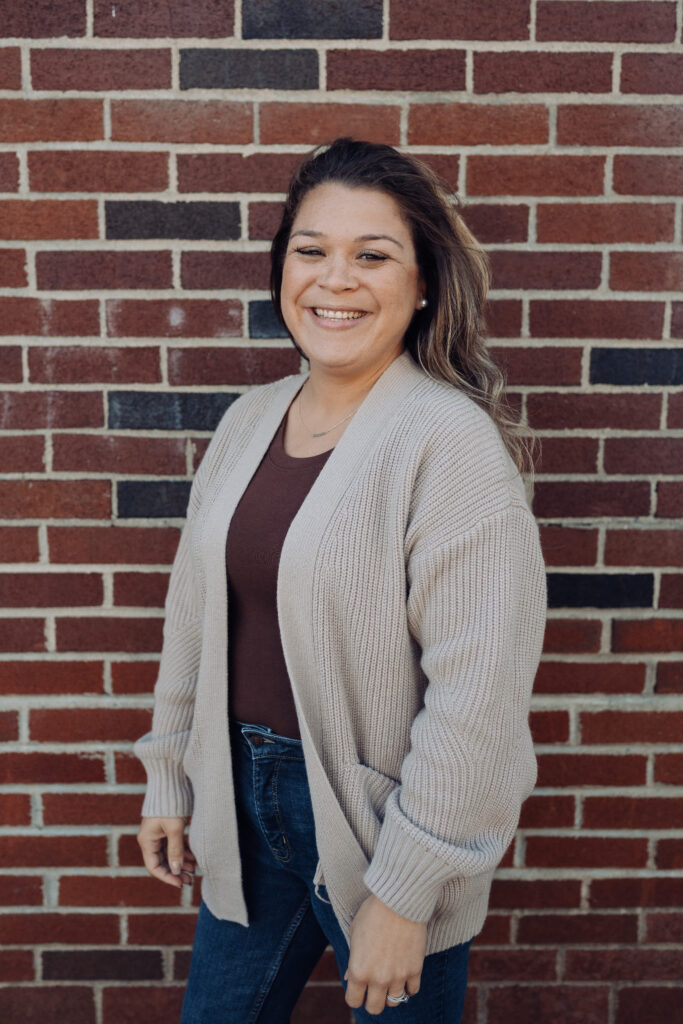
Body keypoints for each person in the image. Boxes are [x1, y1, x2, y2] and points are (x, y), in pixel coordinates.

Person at [135, 138, 547, 1023]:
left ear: (423, 281)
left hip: (381, 822)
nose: (335, 280)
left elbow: (478, 698)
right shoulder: (250, 421)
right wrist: (170, 774)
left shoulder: (448, 443)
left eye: (372, 255)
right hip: (244, 813)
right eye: (311, 251)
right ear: (282, 267)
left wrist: (406, 891)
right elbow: (195, 620)